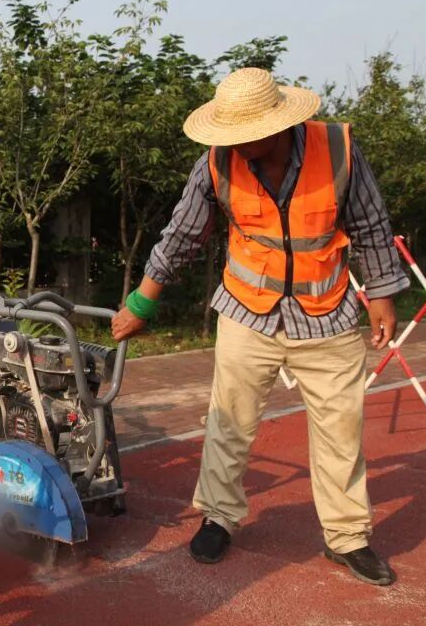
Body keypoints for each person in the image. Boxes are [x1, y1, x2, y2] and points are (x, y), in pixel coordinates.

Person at [112, 68, 408, 586]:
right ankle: (218, 518)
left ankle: (348, 537)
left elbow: (370, 223)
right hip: (247, 311)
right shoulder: (218, 161)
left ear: (280, 125)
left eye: (247, 134)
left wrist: (381, 295)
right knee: (229, 420)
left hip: (326, 312)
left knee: (341, 428)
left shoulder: (337, 149)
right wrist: (142, 303)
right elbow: (182, 234)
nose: (237, 144)